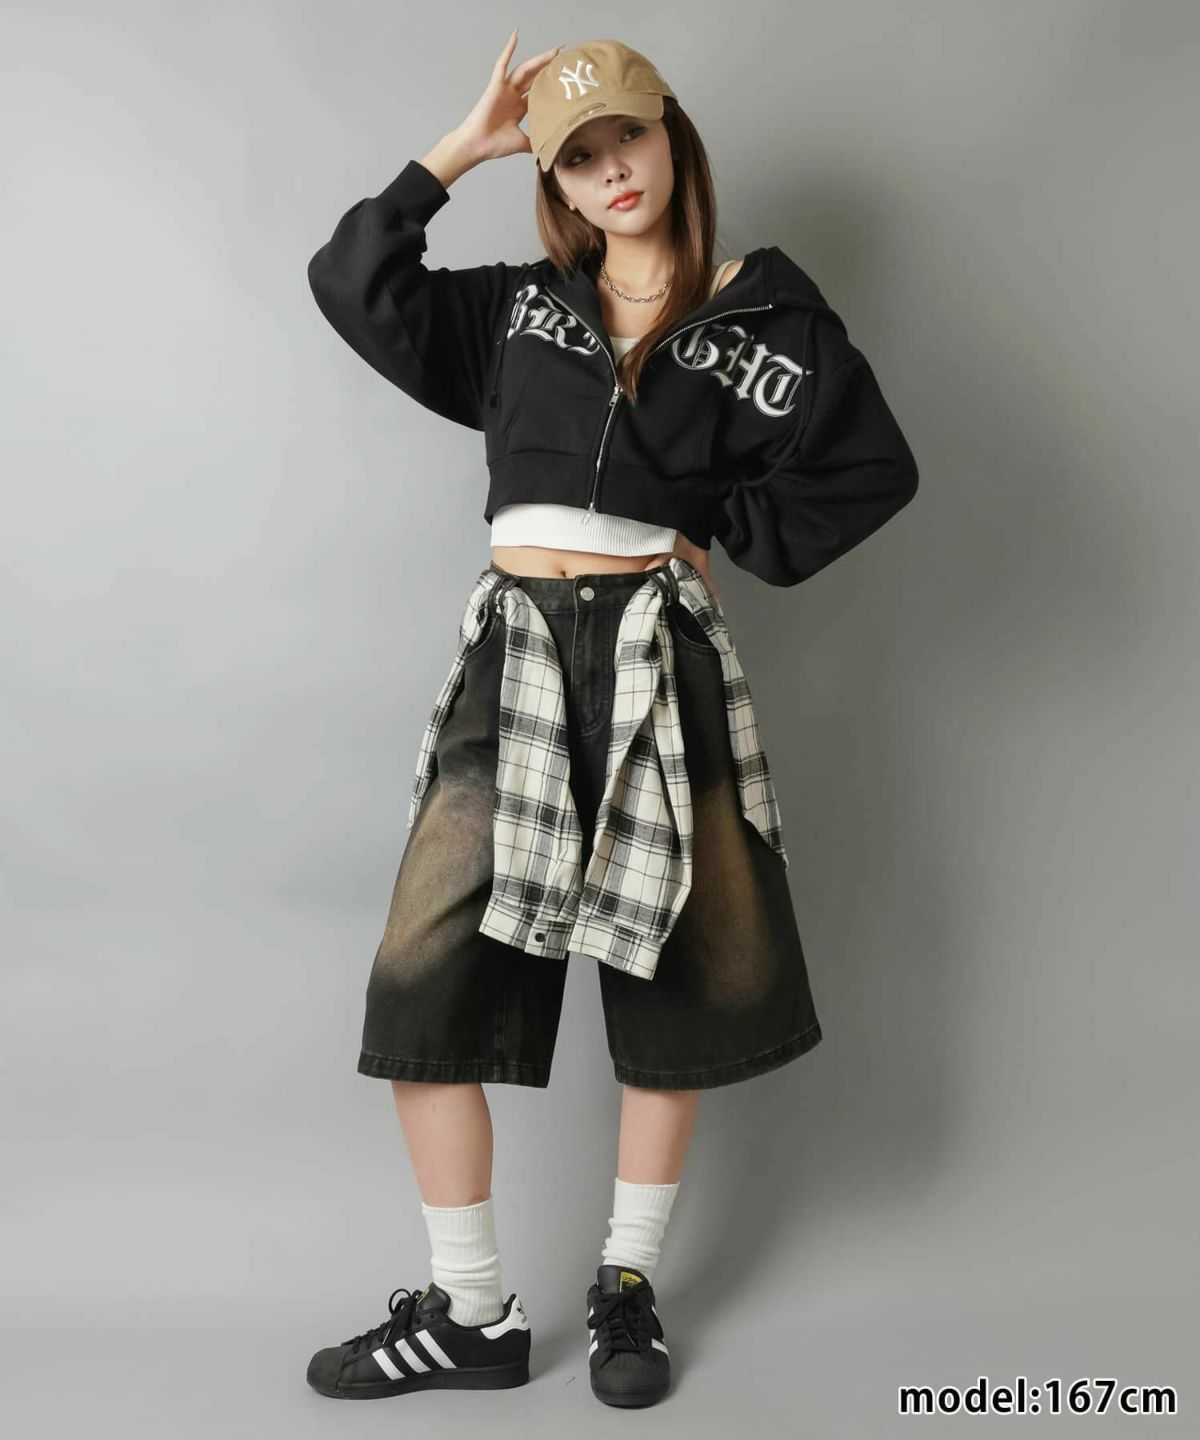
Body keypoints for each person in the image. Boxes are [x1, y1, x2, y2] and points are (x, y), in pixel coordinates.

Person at [302, 34, 919, 1410]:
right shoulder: (518, 310)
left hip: (657, 654)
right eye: (576, 158)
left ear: (670, 137)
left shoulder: (768, 321)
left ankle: (626, 1285)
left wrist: (719, 524)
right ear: (558, 185)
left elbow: (871, 467)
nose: (610, 172)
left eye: (625, 138)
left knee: (676, 983)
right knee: (424, 983)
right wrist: (459, 151)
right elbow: (353, 281)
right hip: (515, 657)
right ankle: (472, 1313)